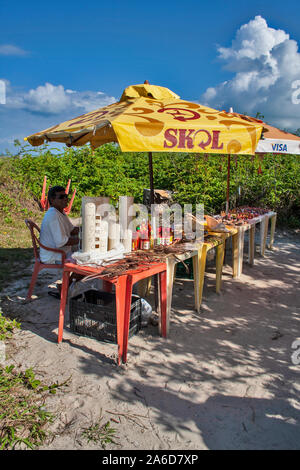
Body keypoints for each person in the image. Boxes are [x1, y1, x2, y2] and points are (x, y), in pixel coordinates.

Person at [40, 185, 80, 297]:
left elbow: (72, 230)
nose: (65, 199)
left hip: (59, 251)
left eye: (66, 196)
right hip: (53, 255)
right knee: (87, 263)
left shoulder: (60, 213)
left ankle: (65, 286)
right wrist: (82, 239)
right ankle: (65, 287)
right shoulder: (53, 215)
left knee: (87, 258)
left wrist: (88, 228)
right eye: (61, 197)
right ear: (52, 200)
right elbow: (61, 242)